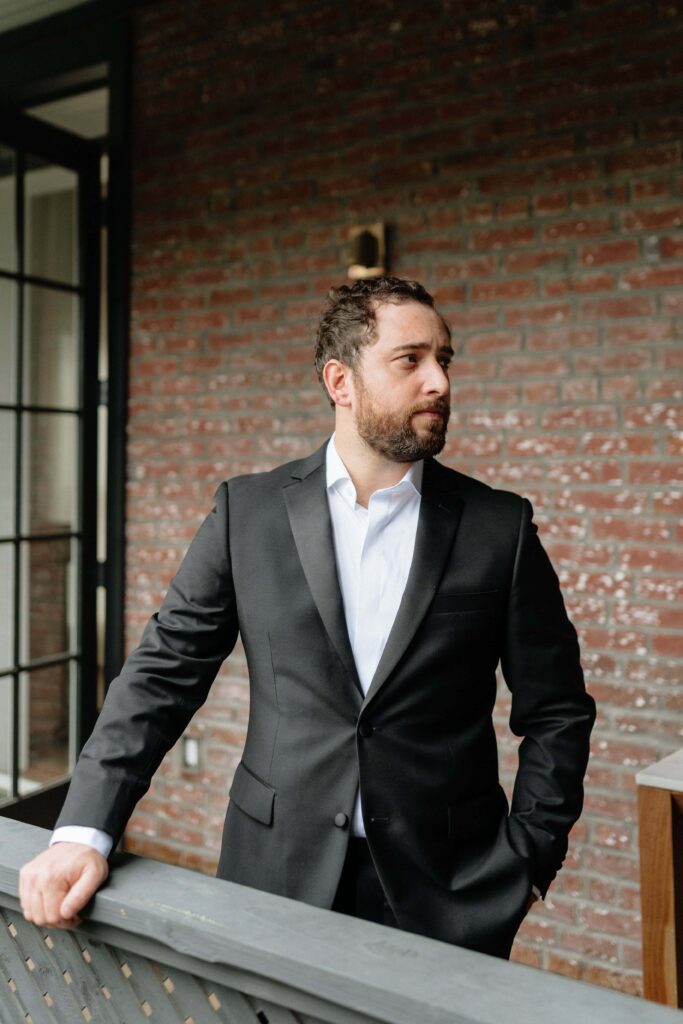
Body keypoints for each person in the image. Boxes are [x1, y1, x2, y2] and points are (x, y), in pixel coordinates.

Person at [19, 276, 595, 959]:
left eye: (444, 359)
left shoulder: (499, 527)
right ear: (340, 381)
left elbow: (556, 710)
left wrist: (527, 861)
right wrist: (82, 833)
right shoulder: (247, 513)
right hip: (273, 874)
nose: (439, 381)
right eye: (410, 360)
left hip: (449, 889)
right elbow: (159, 678)